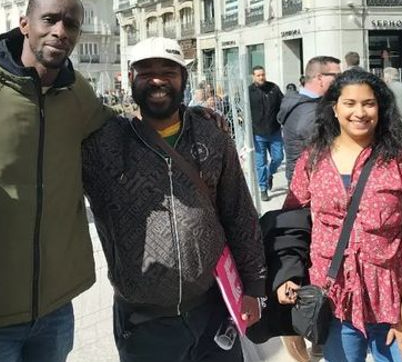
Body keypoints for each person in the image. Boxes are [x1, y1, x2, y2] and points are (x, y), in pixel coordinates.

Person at [0, 0, 113, 362]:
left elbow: (117, 130)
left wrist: (190, 119)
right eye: (49, 19)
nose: (60, 31)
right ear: (25, 25)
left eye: (71, 24)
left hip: (55, 307)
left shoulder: (76, 92)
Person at [82, 37, 266, 362]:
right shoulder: (103, 144)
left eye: (168, 71)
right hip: (143, 323)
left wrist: (253, 287)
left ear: (183, 76)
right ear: (130, 78)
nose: (157, 80)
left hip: (213, 308)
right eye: (146, 71)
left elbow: (239, 213)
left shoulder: (211, 135)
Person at [278, 70, 402, 362]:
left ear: (381, 108)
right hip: (333, 301)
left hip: (392, 304)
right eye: (350, 103)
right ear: (334, 107)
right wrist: (287, 275)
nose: (360, 112)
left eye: (369, 104)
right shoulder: (313, 159)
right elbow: (291, 222)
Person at [278, 56, 342, 184]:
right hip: (309, 182)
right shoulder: (310, 112)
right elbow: (327, 149)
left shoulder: (304, 102)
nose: (340, 81)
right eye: (337, 76)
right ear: (320, 78)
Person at [249, 65, 285, 201]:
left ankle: (270, 173)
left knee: (278, 158)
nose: (261, 77)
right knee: (260, 163)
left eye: (263, 75)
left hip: (274, 131)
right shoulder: (249, 91)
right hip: (258, 133)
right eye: (258, 75)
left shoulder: (274, 88)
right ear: (253, 76)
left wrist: (281, 119)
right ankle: (263, 188)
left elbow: (283, 104)